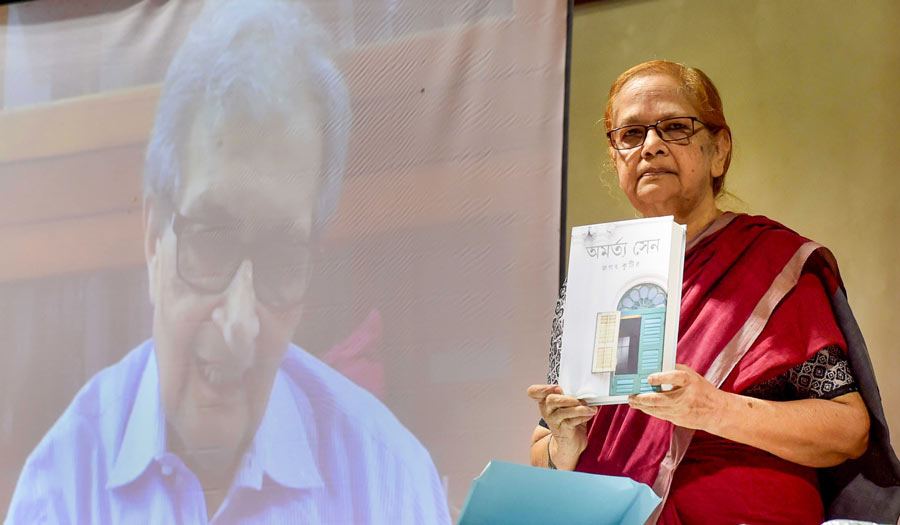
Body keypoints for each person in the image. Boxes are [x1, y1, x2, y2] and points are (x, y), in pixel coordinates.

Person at [6, 2, 450, 524]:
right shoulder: (61, 490)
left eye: (281, 259)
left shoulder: (389, 484)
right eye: (211, 243)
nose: (240, 326)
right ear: (153, 241)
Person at [527, 60, 900, 524]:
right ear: (615, 157)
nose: (651, 145)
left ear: (719, 151)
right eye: (631, 134)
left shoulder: (771, 263)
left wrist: (714, 409)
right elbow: (543, 447)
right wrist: (563, 445)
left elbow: (848, 431)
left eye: (675, 127)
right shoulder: (593, 278)